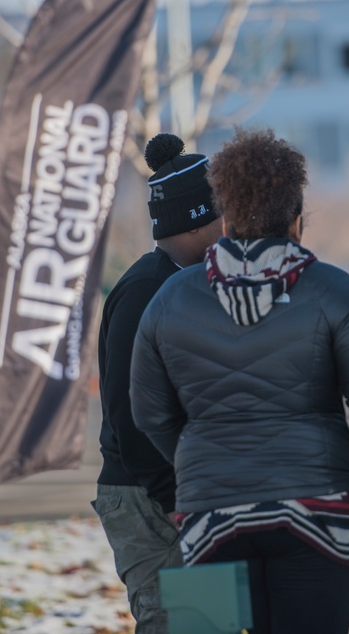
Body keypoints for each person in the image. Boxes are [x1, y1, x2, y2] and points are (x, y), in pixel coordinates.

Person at [130, 128, 349, 634]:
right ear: (297, 219)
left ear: (226, 216)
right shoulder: (334, 291)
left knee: (210, 633)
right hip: (319, 508)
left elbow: (149, 410)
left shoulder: (169, 299)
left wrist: (196, 461)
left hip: (206, 514)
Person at [92, 133, 222, 634]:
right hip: (151, 496)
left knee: (209, 624)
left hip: (183, 491)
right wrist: (173, 500)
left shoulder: (187, 280)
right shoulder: (147, 290)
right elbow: (130, 411)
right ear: (199, 219)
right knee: (179, 624)